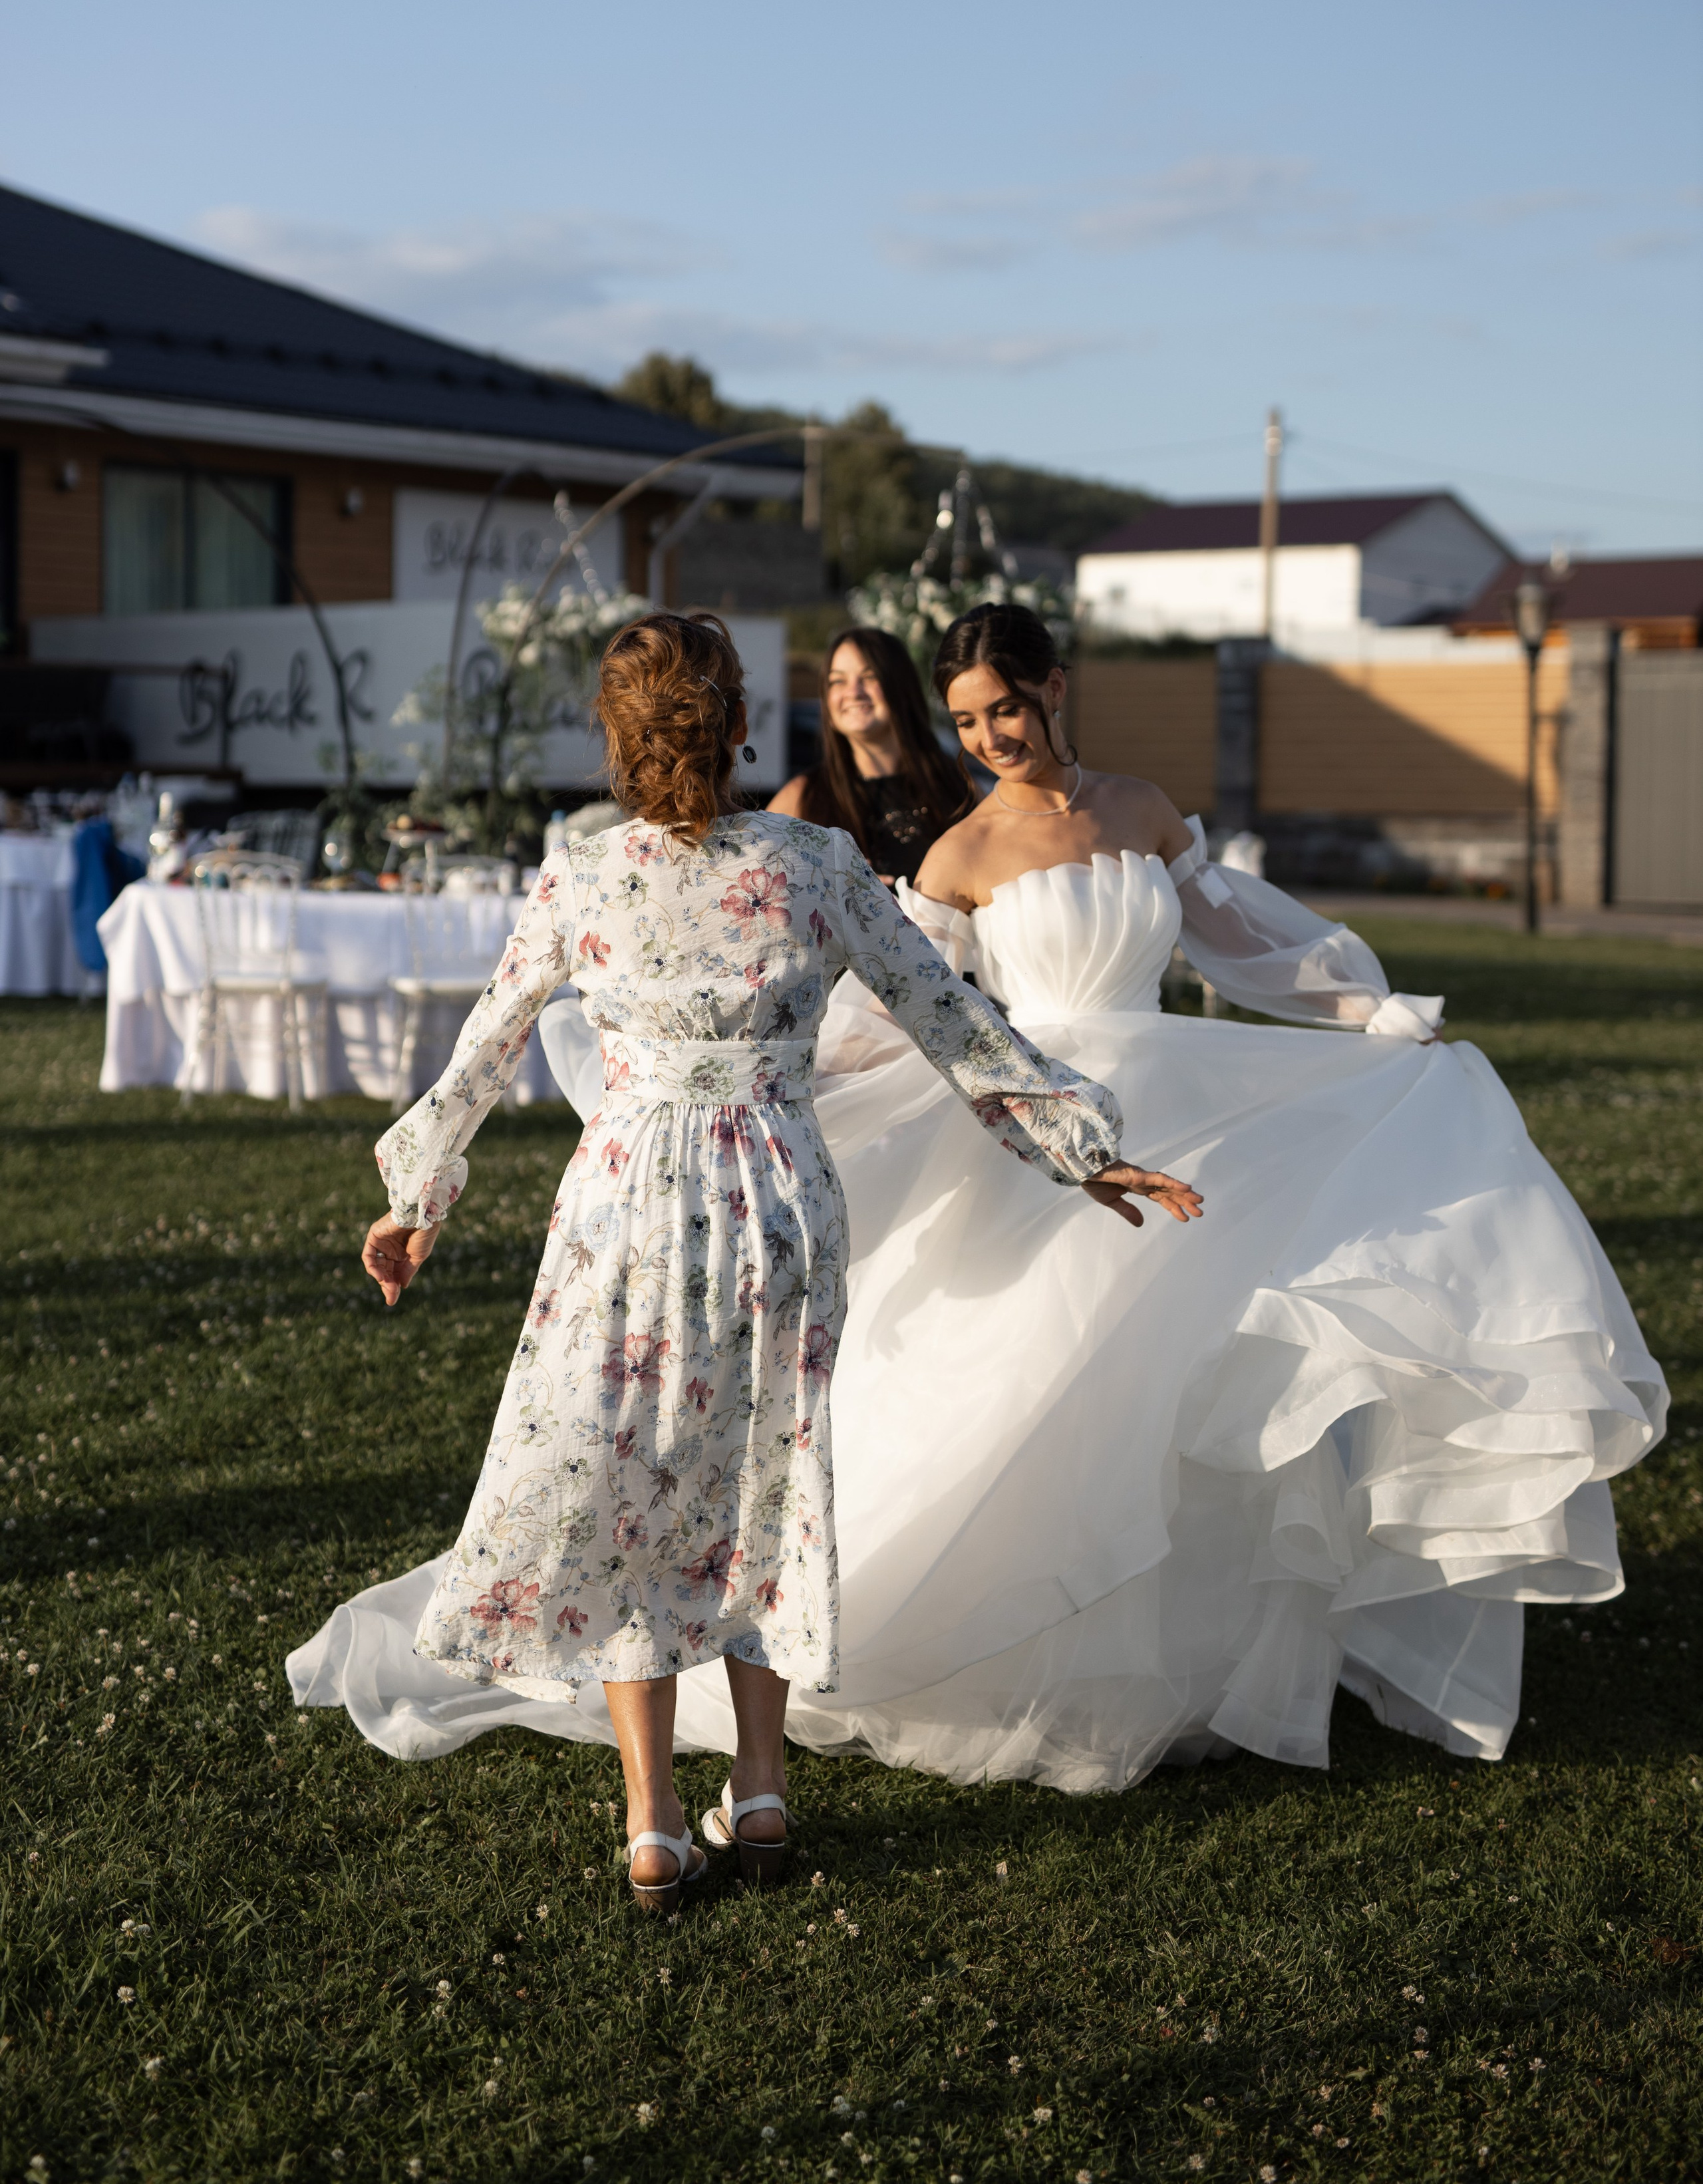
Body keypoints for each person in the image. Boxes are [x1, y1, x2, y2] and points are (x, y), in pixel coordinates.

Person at [291, 610, 1195, 1907]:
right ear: (734, 730)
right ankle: (760, 1789)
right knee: (767, 1468)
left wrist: (416, 1199)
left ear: (616, 739)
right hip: (777, 1193)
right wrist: (1080, 1151)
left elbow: (484, 1048)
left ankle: (654, 1820)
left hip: (624, 1200)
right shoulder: (819, 865)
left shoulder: (578, 876)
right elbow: (958, 1026)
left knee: (628, 1483)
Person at [761, 601, 1664, 1788]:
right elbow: (907, 1011)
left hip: (1182, 1105)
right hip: (1055, 1132)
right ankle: (1047, 1658)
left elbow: (1241, 941)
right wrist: (785, 1063)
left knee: (1207, 1370)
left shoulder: (1139, 808)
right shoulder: (959, 856)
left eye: (1007, 710)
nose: (989, 738)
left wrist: (1369, 1014)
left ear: (1056, 688)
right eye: (970, 722)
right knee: (1057, 1376)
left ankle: (1211, 1657)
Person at [770, 626, 972, 885]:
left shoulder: (958, 786)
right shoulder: (801, 798)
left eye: (869, 677)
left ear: (901, 687)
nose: (854, 692)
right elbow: (765, 890)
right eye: (838, 681)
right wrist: (825, 886)